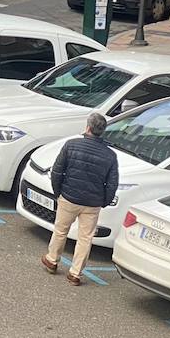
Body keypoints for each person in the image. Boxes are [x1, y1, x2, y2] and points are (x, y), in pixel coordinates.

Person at [42, 112, 119, 285]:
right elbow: (112, 183)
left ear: (88, 127)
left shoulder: (71, 145)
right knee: (85, 238)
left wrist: (58, 192)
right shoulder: (110, 155)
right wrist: (104, 201)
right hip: (92, 203)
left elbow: (57, 170)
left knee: (61, 230)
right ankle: (75, 273)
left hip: (69, 197)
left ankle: (52, 260)